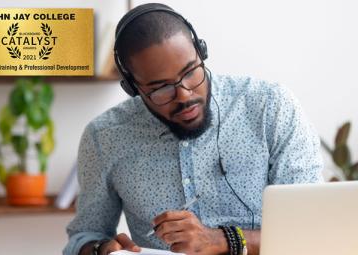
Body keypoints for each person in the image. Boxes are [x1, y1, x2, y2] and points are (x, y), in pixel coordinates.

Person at [63, 3, 323, 255]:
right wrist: (101, 250)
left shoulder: (270, 107)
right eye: (160, 88)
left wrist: (223, 240)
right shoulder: (104, 137)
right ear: (133, 88)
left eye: (190, 72)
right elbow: (83, 237)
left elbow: (311, 230)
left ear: (201, 52)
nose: (185, 95)